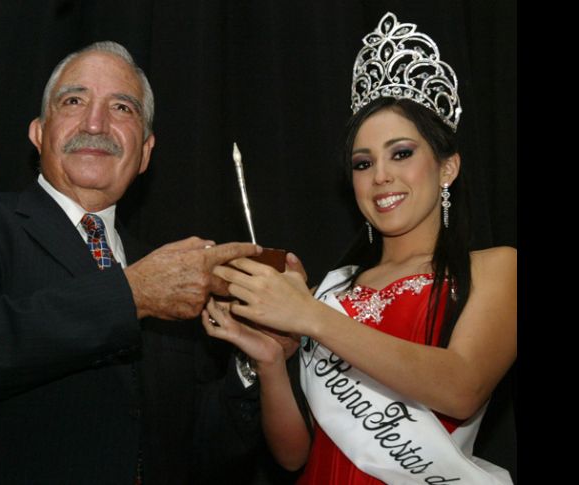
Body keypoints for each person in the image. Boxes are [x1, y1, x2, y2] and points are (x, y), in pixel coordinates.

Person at [0, 40, 268, 484]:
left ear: (146, 152)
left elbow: (194, 452)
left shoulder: (168, 274)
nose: (96, 123)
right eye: (74, 101)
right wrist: (131, 295)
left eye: (122, 108)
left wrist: (251, 360)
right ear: (38, 133)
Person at [202, 12, 516, 484]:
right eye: (363, 163)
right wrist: (269, 363)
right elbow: (294, 455)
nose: (381, 176)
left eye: (402, 153)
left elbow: (462, 387)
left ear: (447, 168)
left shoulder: (497, 268)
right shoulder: (336, 287)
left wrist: (309, 316)